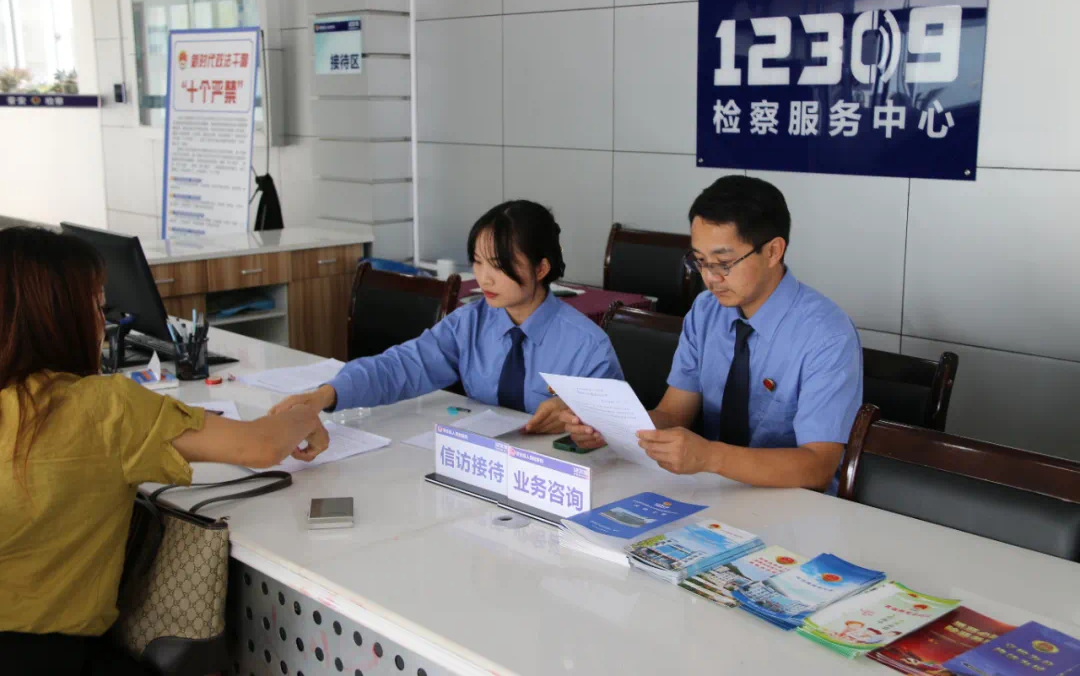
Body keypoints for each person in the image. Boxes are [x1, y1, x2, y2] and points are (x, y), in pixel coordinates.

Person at [0, 227, 330, 676]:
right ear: (60, 319)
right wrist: (307, 414)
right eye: (98, 308)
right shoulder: (101, 408)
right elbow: (261, 445)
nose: (105, 325)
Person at [562, 175, 862, 493]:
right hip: (716, 489)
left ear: (773, 251)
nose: (709, 278)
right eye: (700, 261)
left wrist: (710, 456)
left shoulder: (827, 336)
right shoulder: (707, 311)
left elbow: (818, 466)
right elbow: (673, 413)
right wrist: (610, 429)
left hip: (795, 500)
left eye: (723, 263)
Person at [273, 200, 623, 432]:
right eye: (478, 262)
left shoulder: (587, 346)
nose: (484, 278)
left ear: (541, 268)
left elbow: (617, 428)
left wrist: (579, 418)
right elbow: (401, 366)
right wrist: (326, 395)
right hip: (481, 464)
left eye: (499, 266)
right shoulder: (470, 323)